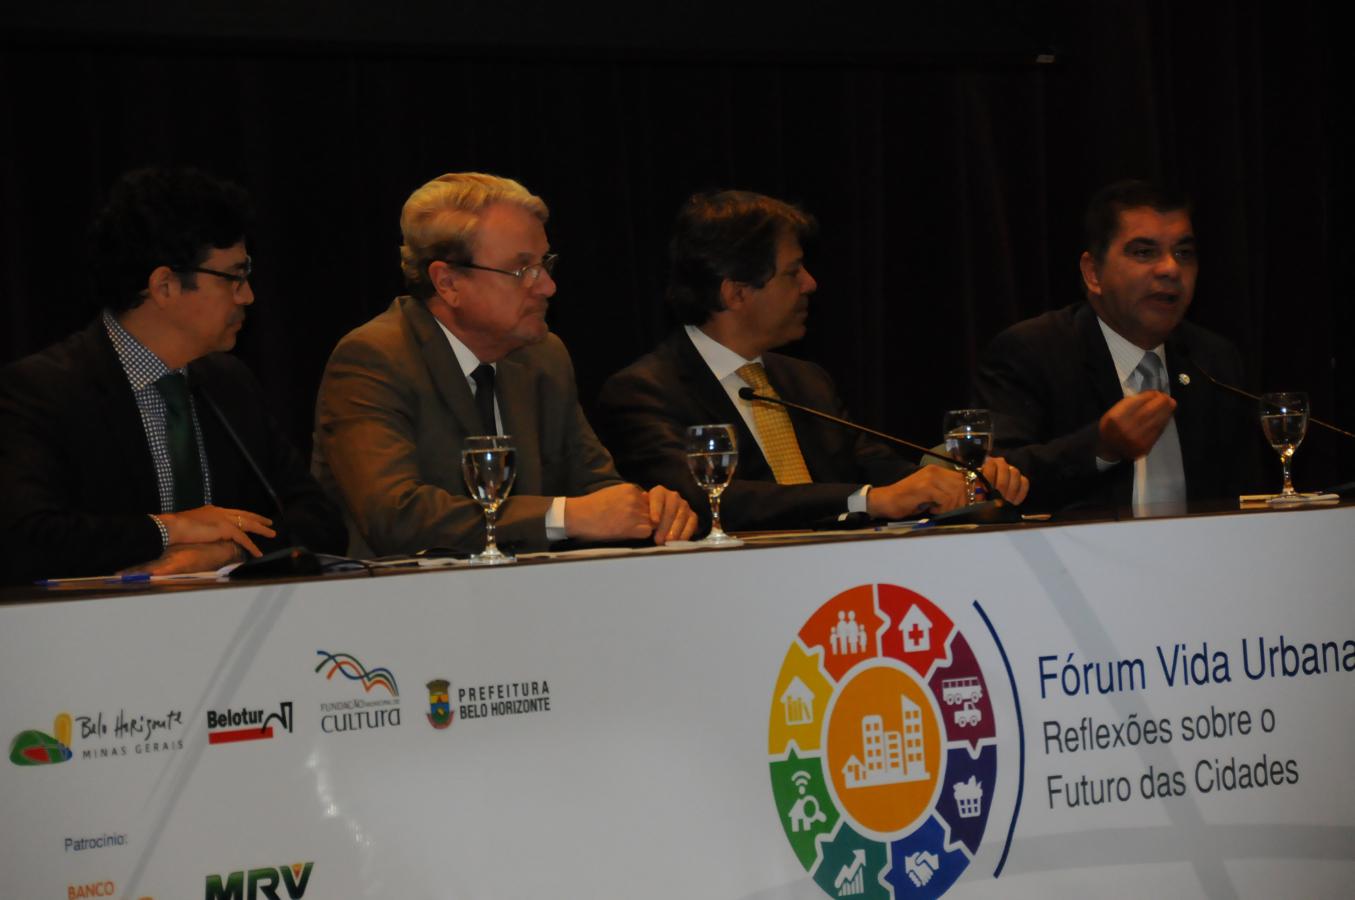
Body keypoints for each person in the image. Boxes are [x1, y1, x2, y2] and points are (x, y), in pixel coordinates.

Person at [594, 190, 1027, 532]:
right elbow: (705, 500)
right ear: (736, 293)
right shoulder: (644, 392)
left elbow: (873, 465)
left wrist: (956, 480)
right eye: (792, 272)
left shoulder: (805, 380)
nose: (810, 283)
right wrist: (868, 500)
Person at [312, 172, 696, 556]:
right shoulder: (373, 359)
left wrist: (647, 507)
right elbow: (396, 517)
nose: (547, 286)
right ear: (448, 283)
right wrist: (562, 516)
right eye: (522, 270)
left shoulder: (543, 357)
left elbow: (594, 486)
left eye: (545, 264)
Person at [0, 166, 346, 584]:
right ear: (164, 286)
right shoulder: (43, 391)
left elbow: (320, 520)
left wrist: (228, 550)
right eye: (234, 278)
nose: (248, 296)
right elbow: (24, 540)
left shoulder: (229, 384)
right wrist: (170, 529)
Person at [972, 179, 1255, 514]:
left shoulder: (1213, 360)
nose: (1170, 269)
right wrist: (1101, 447)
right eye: (1144, 252)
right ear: (1093, 273)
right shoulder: (1032, 352)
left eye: (1183, 253)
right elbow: (990, 482)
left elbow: (1246, 494)